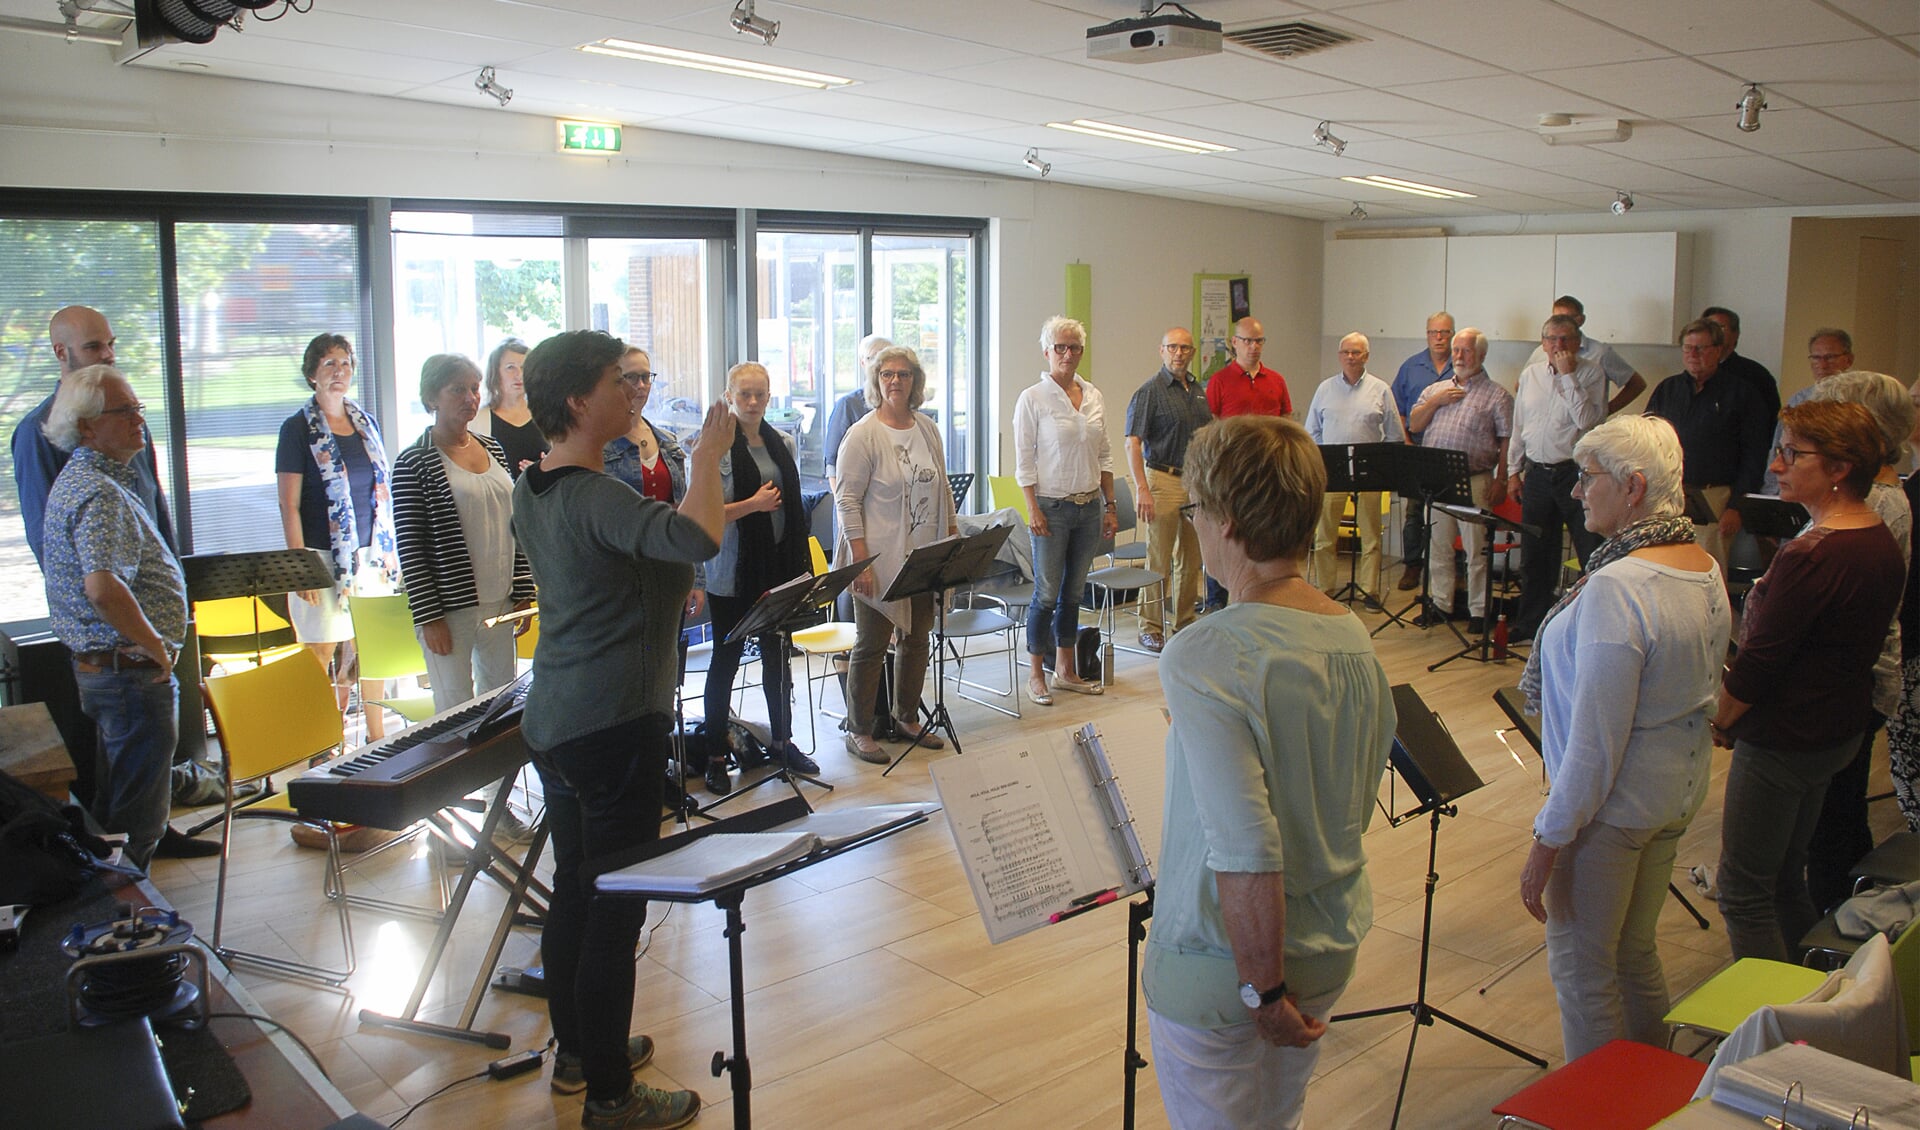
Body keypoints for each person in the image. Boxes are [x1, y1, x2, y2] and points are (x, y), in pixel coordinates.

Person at [1143, 413, 1394, 1130]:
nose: (1194, 527)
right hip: (1329, 943)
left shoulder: (1206, 653)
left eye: (1195, 512)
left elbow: (1248, 848)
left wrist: (1264, 991)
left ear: (1224, 522)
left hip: (1231, 967)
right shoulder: (1353, 636)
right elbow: (1331, 782)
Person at [511, 329, 730, 1128]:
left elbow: (643, 550)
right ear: (577, 400)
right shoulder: (598, 493)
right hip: (612, 725)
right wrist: (707, 460)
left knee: (576, 888)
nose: (631, 393)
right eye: (617, 381)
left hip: (559, 721)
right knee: (615, 908)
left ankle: (579, 1051)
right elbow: (696, 537)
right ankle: (609, 1094)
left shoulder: (533, 485)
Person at [1514, 415, 1731, 1060]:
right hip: (1673, 794)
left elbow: (1595, 745)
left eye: (1588, 478)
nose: (1576, 493)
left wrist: (1548, 839)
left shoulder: (1620, 585)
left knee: (1584, 972)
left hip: (1613, 809)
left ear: (1633, 486)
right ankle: (1651, 1092)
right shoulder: (1703, 565)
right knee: (1634, 953)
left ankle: (1602, 1107)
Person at [11, 306, 226, 847]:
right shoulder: (61, 453)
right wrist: (149, 640)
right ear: (61, 353)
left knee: (139, 788)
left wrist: (171, 588)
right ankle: (133, 905)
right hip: (120, 651)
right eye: (93, 347)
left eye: (110, 344)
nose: (107, 354)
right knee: (131, 807)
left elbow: (151, 515)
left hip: (129, 640)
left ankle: (146, 845)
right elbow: (79, 568)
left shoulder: (111, 445)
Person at [1712, 401, 1904, 962]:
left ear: (1840, 467)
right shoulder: (1876, 535)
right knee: (1784, 880)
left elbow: (1762, 663)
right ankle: (1809, 996)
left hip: (1786, 737)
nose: (1777, 466)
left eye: (1792, 453)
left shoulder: (1814, 555)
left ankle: (1763, 1026)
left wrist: (1722, 721)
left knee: (1743, 891)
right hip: (1833, 729)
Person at [39, 365, 188, 874]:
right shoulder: (99, 492)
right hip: (127, 674)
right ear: (85, 427)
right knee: (136, 824)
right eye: (123, 411)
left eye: (138, 408)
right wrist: (154, 644)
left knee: (120, 815)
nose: (138, 420)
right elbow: (102, 588)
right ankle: (130, 938)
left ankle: (122, 927)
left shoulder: (92, 479)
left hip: (113, 672)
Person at [390, 354, 538, 841]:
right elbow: (410, 545)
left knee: (498, 713)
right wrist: (427, 614)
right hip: (447, 610)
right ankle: (452, 825)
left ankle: (499, 811)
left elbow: (516, 524)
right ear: (432, 397)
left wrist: (521, 591)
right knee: (453, 716)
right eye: (458, 389)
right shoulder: (413, 461)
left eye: (475, 388)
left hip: (500, 605)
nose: (471, 398)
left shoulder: (493, 446)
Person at [1800, 372, 1913, 910]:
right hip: (1850, 679)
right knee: (1836, 815)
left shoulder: (1880, 505)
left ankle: (1840, 925)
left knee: (1834, 819)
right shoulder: (1876, 498)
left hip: (1850, 683)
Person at [833, 346, 958, 763]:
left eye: (903, 374)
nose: (895, 382)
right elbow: (846, 500)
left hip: (923, 554)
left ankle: (906, 716)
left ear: (915, 381)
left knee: (918, 637)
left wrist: (952, 531)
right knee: (871, 645)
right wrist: (860, 559)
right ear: (876, 380)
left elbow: (942, 486)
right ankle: (859, 729)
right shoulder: (864, 434)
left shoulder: (927, 428)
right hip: (877, 557)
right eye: (887, 374)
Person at [699, 361, 818, 792]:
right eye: (743, 394)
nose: (752, 402)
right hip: (732, 573)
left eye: (759, 395)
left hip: (779, 570)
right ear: (728, 396)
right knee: (725, 662)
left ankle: (782, 741)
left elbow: (791, 509)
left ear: (770, 397)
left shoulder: (781, 442)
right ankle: (715, 752)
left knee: (777, 659)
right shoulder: (712, 448)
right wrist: (752, 505)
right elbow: (704, 515)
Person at [275, 333, 398, 743]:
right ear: (312, 374)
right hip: (321, 558)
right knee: (321, 653)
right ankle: (322, 742)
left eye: (345, 363)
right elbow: (288, 505)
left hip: (371, 558)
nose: (338, 372)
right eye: (329, 364)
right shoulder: (296, 430)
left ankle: (377, 738)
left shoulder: (366, 423)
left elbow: (382, 492)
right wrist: (300, 569)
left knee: (375, 650)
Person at [1507, 314, 1634, 641]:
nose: (1558, 346)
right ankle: (1531, 624)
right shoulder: (1531, 374)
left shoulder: (1591, 373)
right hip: (1536, 473)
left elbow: (1589, 421)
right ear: (1543, 343)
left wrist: (1567, 377)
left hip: (1576, 475)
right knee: (1535, 555)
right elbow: (1519, 427)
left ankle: (1589, 627)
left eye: (1565, 339)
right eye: (1551, 339)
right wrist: (1512, 471)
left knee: (1589, 549)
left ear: (1578, 343)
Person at [1014, 316, 1116, 706]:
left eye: (1074, 347)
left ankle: (1066, 670)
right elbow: (1024, 461)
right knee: (1046, 594)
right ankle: (1036, 674)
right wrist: (1033, 508)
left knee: (1073, 594)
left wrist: (1110, 506)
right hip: (1051, 509)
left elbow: (1104, 453)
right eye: (1060, 347)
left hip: (1088, 507)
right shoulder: (1033, 399)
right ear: (1047, 352)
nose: (1068, 354)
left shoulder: (1093, 395)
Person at [1408, 328, 1512, 635]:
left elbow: (1507, 441)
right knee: (1438, 547)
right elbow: (1414, 424)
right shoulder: (1434, 390)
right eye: (1456, 351)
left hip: (1475, 479)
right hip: (1437, 481)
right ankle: (1441, 604)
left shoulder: (1497, 395)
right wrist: (1436, 401)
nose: (1459, 357)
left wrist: (1502, 479)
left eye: (1466, 351)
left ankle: (1480, 610)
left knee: (1476, 549)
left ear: (1481, 356)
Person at [1123, 326, 1211, 653]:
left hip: (1196, 484)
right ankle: (1151, 627)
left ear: (1192, 353)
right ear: (1161, 351)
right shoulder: (1150, 391)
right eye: (1172, 347)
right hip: (1162, 480)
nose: (1178, 353)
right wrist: (1142, 490)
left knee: (1191, 559)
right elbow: (1133, 442)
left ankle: (1185, 622)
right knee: (1159, 559)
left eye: (1185, 348)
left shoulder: (1198, 391)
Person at [1304, 332, 1405, 604]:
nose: (1351, 357)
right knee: (1325, 536)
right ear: (1339, 356)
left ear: (1366, 357)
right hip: (1332, 472)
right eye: (1346, 352)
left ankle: (1369, 590)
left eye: (1356, 352)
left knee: (1370, 537)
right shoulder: (1325, 389)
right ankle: (1325, 589)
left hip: (1368, 472)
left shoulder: (1380, 389)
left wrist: (1381, 462)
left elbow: (1395, 433)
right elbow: (1311, 430)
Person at [1201, 316, 1292, 614]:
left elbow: (1286, 424)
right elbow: (1210, 428)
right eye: (1248, 341)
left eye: (1259, 341)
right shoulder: (1219, 381)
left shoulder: (1276, 380)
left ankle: (1262, 594)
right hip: (1232, 474)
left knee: (1263, 535)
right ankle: (1218, 601)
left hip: (1268, 474)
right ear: (1234, 343)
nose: (1254, 347)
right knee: (1227, 536)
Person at [1390, 312, 1454, 592]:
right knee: (1414, 512)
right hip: (1417, 450)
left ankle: (1450, 571)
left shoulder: (1463, 363)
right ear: (1426, 334)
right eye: (1433, 332)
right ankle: (1413, 565)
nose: (1439, 338)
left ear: (1452, 334)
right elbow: (1398, 411)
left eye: (1444, 333)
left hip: (1450, 454)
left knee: (1449, 513)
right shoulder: (1410, 367)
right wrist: (1406, 442)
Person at [1762, 328, 1855, 494]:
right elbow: (1778, 448)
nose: (1822, 364)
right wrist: (1771, 493)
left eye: (1830, 357)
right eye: (1816, 358)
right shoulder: (1799, 400)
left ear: (1848, 360)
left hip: (1842, 490)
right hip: (1797, 490)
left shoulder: (1858, 401)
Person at [1520, 295, 1648, 414]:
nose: (1561, 322)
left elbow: (1636, 384)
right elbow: (1521, 386)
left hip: (1584, 428)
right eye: (1556, 318)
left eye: (1568, 317)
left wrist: (1605, 411)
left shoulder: (1600, 352)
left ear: (1581, 320)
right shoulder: (1542, 350)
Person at [823, 333, 892, 490]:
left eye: (885, 358)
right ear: (862, 363)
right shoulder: (848, 404)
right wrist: (843, 508)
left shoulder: (901, 405)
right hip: (853, 502)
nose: (878, 364)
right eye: (871, 358)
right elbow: (832, 464)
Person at [473, 337, 546, 477]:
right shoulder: (477, 420)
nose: (519, 375)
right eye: (510, 367)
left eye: (524, 368)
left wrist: (543, 471)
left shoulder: (545, 414)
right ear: (495, 373)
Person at [1702, 306, 1781, 419]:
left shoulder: (1756, 374)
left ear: (1735, 334)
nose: (1714, 334)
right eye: (1708, 328)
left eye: (1720, 327)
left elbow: (1770, 420)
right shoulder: (1695, 374)